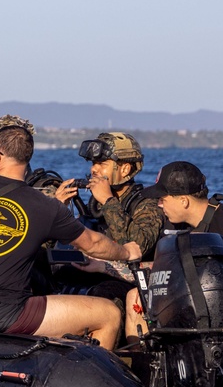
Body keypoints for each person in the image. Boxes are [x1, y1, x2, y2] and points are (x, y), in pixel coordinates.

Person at [0, 116, 141, 350]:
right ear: (26, 158)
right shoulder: (43, 205)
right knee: (109, 314)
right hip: (13, 315)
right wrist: (126, 251)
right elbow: (92, 244)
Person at [124, 161, 223, 337]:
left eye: (162, 199)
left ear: (183, 201)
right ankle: (139, 359)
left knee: (218, 313)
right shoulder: (171, 225)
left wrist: (205, 300)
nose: (159, 205)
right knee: (134, 296)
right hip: (183, 305)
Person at [49, 132, 164, 308]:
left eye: (102, 164)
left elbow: (136, 249)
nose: (94, 170)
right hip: (90, 273)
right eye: (94, 164)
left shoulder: (146, 204)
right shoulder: (96, 203)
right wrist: (59, 210)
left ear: (125, 169)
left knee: (104, 292)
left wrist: (108, 201)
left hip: (127, 282)